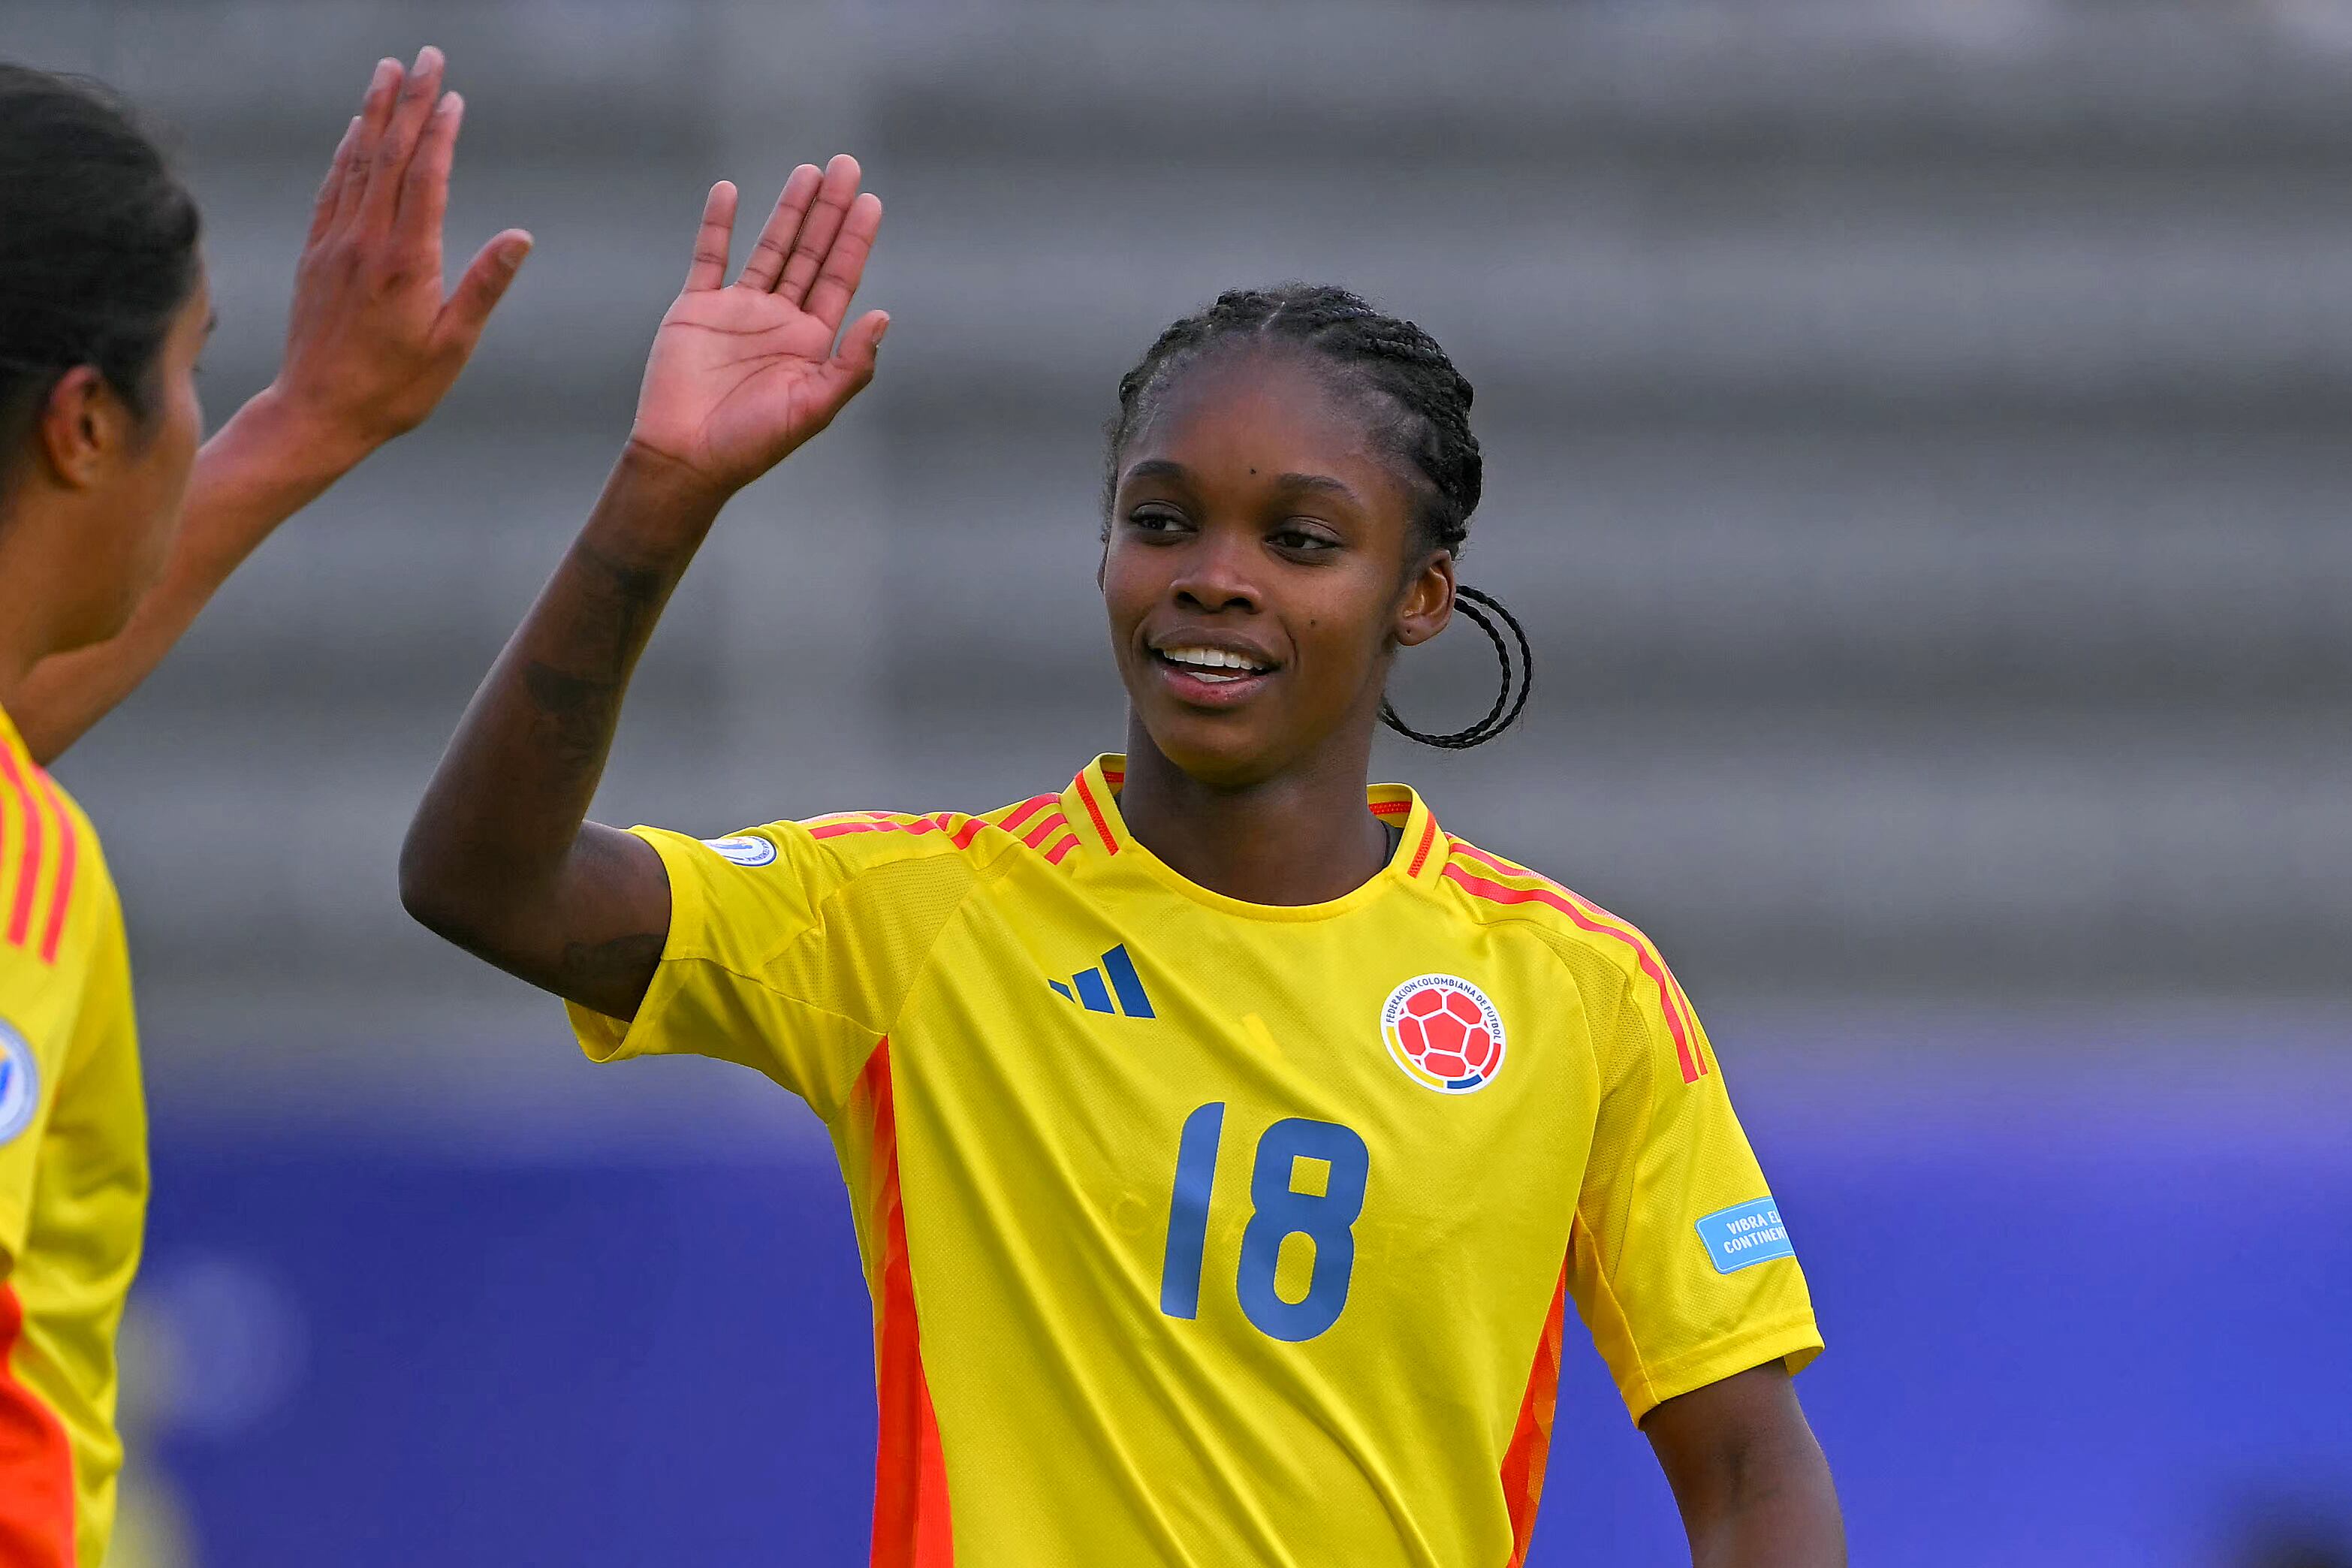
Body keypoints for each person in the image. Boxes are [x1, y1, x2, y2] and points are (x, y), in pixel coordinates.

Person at [400, 161, 1845, 1566]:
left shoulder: (1577, 993)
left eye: (1300, 537)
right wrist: (662, 496)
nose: (1215, 573)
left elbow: (1747, 1470)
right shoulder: (918, 921)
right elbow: (484, 883)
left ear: (1420, 596)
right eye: (1162, 521)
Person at [0, 50, 527, 1563]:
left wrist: (310, 422)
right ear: (85, 423)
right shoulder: (18, 863)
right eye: (191, 370)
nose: (196, 424)